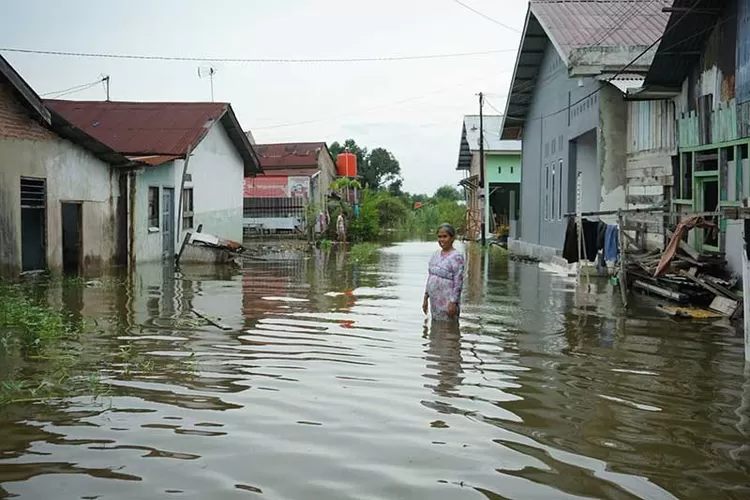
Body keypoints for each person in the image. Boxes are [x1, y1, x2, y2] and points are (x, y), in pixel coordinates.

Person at [422, 223, 464, 321]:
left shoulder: (456, 257)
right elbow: (430, 277)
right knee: (436, 329)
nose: (441, 240)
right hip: (435, 300)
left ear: (452, 238)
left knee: (449, 331)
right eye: (439, 237)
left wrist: (453, 302)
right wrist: (425, 297)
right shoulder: (435, 255)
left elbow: (458, 282)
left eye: (445, 236)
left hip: (447, 301)